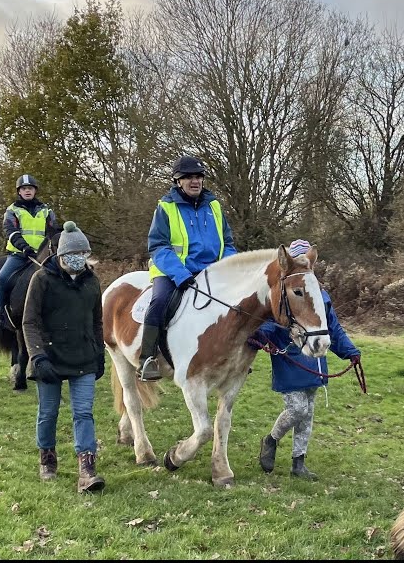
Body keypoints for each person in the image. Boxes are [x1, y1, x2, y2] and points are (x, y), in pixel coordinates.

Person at [252, 239, 361, 481]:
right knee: (297, 409)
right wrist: (259, 336)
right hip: (291, 358)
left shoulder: (320, 295)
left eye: (307, 264)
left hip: (316, 361)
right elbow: (270, 322)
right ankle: (271, 439)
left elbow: (332, 326)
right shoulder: (282, 292)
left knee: (308, 414)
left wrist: (350, 351)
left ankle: (298, 463)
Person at [22, 221, 106, 494]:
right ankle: (47, 457)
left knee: (83, 413)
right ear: (59, 256)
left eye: (83, 254)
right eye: (73, 254)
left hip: (83, 358)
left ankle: (87, 468)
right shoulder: (42, 280)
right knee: (48, 413)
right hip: (49, 358)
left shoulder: (92, 282)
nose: (78, 259)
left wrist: (99, 353)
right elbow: (30, 322)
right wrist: (37, 356)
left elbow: (96, 321)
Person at [137, 155, 238, 381]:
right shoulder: (165, 207)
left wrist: (227, 268)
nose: (195, 181)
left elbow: (228, 243)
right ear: (178, 181)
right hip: (173, 272)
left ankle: (233, 357)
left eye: (198, 177)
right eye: (188, 177)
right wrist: (180, 274)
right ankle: (148, 359)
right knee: (160, 302)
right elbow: (159, 246)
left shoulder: (214, 206)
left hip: (210, 272)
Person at [0, 173, 57, 332]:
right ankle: (0, 314)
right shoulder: (12, 210)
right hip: (19, 255)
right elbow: (11, 231)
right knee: (1, 279)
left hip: (42, 256)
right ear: (19, 192)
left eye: (30, 188)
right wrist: (24, 248)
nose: (27, 191)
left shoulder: (46, 211)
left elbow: (53, 232)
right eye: (24, 188)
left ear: (35, 191)